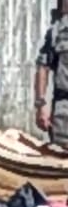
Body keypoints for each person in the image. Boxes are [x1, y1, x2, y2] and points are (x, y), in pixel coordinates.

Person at [35, 10, 68, 146]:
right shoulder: (58, 30)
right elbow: (43, 67)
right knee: (61, 156)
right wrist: (41, 105)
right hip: (64, 113)